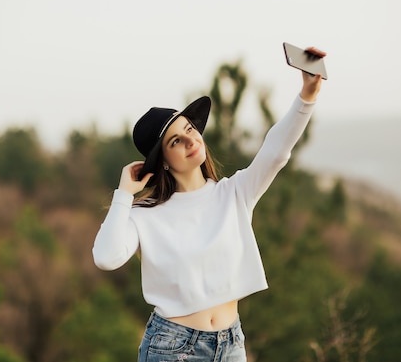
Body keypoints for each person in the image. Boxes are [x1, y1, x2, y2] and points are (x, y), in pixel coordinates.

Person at [93, 47, 326, 362]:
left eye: (190, 129)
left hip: (231, 343)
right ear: (161, 161)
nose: (191, 140)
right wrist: (123, 194)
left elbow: (276, 151)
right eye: (176, 141)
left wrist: (307, 94)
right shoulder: (144, 217)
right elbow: (106, 258)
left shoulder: (234, 193)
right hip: (173, 349)